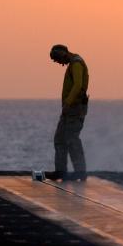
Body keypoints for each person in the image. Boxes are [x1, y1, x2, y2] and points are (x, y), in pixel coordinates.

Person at [47, 44, 89, 181]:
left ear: (63, 54)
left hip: (74, 108)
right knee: (60, 139)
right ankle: (60, 171)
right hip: (69, 109)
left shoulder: (76, 64)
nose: (59, 63)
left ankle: (80, 172)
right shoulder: (73, 64)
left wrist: (68, 102)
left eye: (58, 59)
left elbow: (77, 85)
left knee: (72, 140)